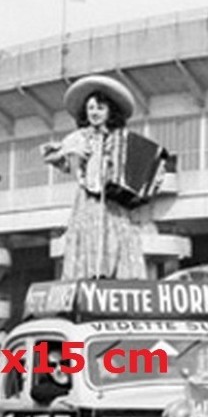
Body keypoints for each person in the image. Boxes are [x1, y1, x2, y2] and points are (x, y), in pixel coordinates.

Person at [42, 75, 156, 280]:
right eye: (91, 107)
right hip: (89, 201)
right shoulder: (79, 137)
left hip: (115, 202)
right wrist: (71, 153)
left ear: (110, 111)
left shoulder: (120, 138)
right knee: (89, 237)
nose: (94, 112)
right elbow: (54, 156)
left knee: (119, 236)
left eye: (100, 108)